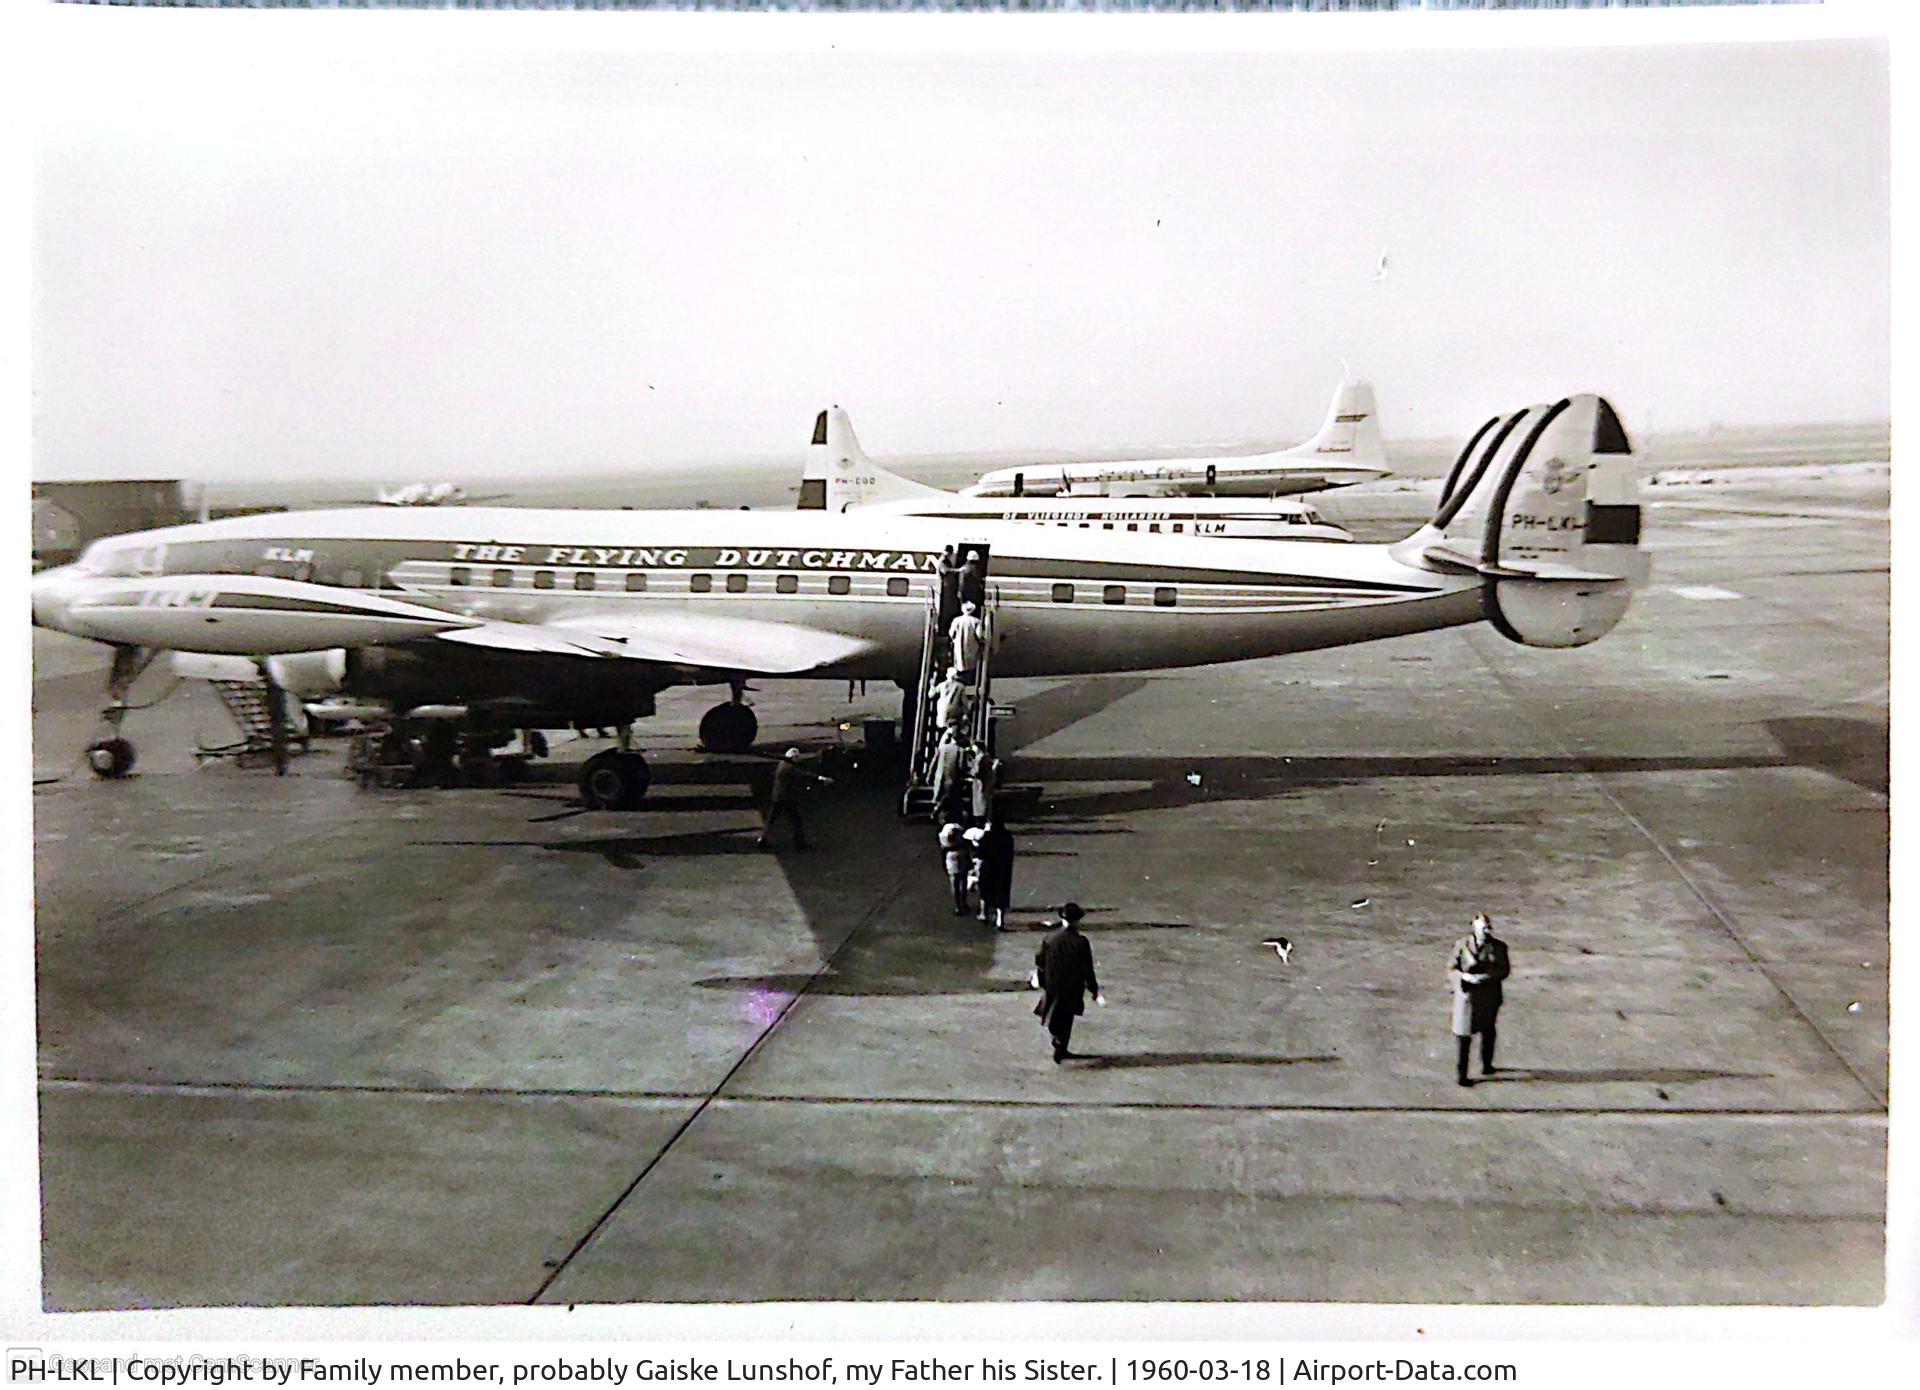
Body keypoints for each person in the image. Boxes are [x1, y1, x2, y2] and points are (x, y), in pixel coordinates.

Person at [1033, 902, 1102, 1063]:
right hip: (1072, 986)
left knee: (1054, 1012)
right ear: (1077, 921)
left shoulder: (1050, 938)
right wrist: (1093, 989)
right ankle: (1061, 1046)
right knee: (1067, 1017)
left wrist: (1042, 981)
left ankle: (1057, 1041)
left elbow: (1040, 961)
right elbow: (1087, 968)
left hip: (1052, 983)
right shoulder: (1081, 942)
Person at [1448, 911, 1510, 1086]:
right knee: (1463, 1036)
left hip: (1488, 996)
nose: (1487, 931)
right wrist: (1463, 977)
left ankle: (1487, 1064)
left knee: (1488, 1030)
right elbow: (1451, 968)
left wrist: (1486, 977)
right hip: (1466, 997)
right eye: (1484, 927)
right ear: (1474, 927)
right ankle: (1462, 1075)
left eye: (1489, 927)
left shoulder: (1499, 947)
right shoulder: (1461, 945)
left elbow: (1503, 970)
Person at [758, 747, 830, 851]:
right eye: (797, 757)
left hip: (777, 796)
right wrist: (820, 778)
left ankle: (762, 839)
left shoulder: (782, 764)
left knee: (771, 819)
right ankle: (800, 843)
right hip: (786, 798)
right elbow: (804, 774)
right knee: (795, 820)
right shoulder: (789, 768)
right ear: (793, 757)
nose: (798, 759)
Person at [974, 818, 1015, 931]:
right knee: (1001, 894)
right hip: (1003, 868)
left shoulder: (987, 837)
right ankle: (1000, 921)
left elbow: (980, 853)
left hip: (988, 868)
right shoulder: (1006, 836)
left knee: (985, 891)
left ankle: (984, 914)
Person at [932, 728, 971, 825]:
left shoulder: (943, 748)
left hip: (941, 778)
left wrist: (929, 776)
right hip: (953, 780)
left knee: (943, 797)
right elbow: (962, 766)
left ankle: (939, 814)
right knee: (953, 800)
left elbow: (934, 763)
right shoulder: (960, 750)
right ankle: (949, 818)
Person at [940, 823, 972, 915]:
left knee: (956, 884)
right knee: (963, 881)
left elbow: (943, 851)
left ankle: (958, 906)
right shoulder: (959, 829)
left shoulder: (944, 834)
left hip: (952, 859)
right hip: (961, 856)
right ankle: (963, 903)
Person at [948, 601, 985, 682]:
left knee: (959, 659)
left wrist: (954, 639)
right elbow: (979, 634)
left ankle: (959, 677)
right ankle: (969, 679)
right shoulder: (976, 621)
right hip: (972, 644)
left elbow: (951, 633)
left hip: (958, 643)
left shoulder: (956, 620)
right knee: (970, 662)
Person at [968, 744, 1001, 824]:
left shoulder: (983, 758)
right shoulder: (980, 757)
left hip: (981, 784)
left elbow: (979, 771)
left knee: (981, 803)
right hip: (980, 784)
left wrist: (972, 774)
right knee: (980, 803)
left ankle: (981, 821)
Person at [935, 544, 964, 630]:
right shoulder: (942, 561)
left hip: (947, 588)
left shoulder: (945, 560)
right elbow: (944, 570)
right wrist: (958, 570)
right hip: (944, 588)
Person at [934, 666, 970, 732]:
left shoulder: (942, 685)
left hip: (941, 714)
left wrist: (931, 685)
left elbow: (931, 694)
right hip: (953, 715)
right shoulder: (960, 686)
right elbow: (964, 702)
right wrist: (967, 713)